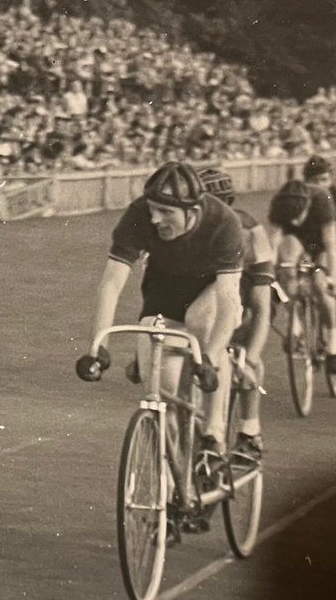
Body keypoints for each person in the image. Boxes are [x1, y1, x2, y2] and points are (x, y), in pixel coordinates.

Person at [78, 162, 245, 485]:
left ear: (193, 211)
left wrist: (209, 358)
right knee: (160, 393)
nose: (155, 220)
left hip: (211, 290)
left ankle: (213, 435)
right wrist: (99, 348)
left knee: (201, 321)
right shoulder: (139, 214)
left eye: (166, 212)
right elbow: (111, 283)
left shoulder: (224, 222)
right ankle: (169, 488)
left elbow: (228, 301)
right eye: (153, 210)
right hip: (164, 291)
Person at [198, 167, 274, 458]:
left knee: (245, 359)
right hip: (206, 295)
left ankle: (249, 430)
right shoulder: (186, 229)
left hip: (245, 292)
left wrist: (252, 357)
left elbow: (261, 308)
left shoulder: (251, 232)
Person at [267, 175, 336, 375]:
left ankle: (334, 346)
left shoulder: (322, 202)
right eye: (292, 218)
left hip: (323, 242)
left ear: (307, 206)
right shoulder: (281, 206)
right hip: (299, 240)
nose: (296, 221)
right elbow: (276, 242)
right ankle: (294, 324)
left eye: (299, 216)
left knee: (320, 284)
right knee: (285, 271)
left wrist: (332, 279)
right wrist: (273, 271)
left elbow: (332, 248)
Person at [301, 155, 336, 371]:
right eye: (314, 181)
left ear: (330, 179)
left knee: (334, 292)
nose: (319, 185)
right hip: (311, 245)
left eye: (324, 179)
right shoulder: (301, 196)